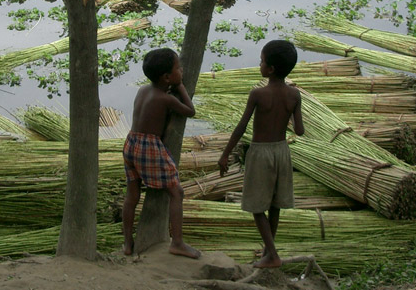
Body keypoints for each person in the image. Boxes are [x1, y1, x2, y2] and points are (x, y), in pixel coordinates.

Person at [218, 39, 305, 268]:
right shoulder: (295, 95)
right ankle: (268, 251)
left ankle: (273, 255)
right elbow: (300, 130)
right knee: (275, 205)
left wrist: (225, 154)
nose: (260, 65)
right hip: (282, 151)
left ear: (271, 69)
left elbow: (241, 126)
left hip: (260, 153)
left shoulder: (258, 94)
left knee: (256, 207)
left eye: (262, 61)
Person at [121, 47, 201, 259]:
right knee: (177, 192)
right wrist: (181, 86)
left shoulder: (142, 91)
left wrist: (173, 84)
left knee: (132, 196)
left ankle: (128, 243)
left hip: (131, 142)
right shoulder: (167, 99)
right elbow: (190, 111)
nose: (182, 70)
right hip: (149, 147)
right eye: (178, 68)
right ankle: (177, 243)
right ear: (167, 77)